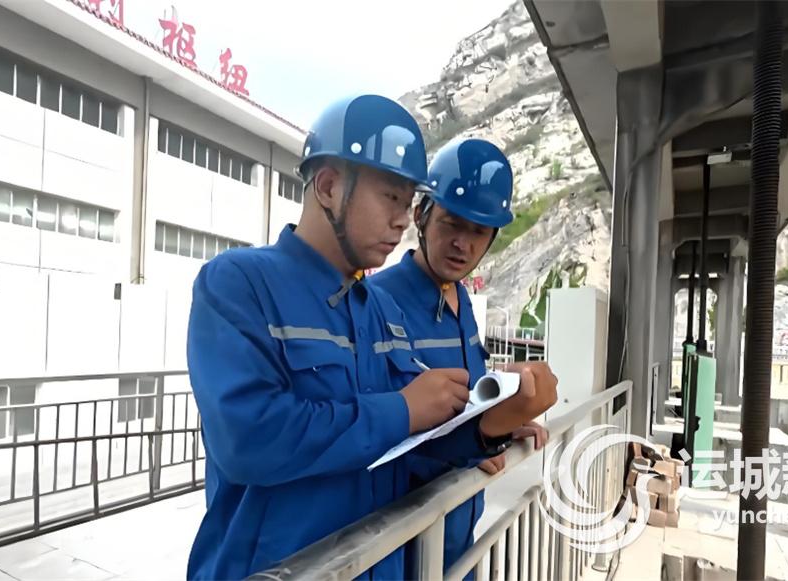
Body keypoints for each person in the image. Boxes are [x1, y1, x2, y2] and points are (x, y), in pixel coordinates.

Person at [185, 95, 557, 580]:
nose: (402, 219)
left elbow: (414, 440)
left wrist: (491, 426)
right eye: (391, 197)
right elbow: (248, 440)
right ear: (328, 186)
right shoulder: (240, 283)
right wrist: (401, 409)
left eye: (407, 201)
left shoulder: (380, 311)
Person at [371, 138, 551, 575]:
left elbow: (466, 404)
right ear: (421, 215)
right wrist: (472, 445)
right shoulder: (376, 302)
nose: (462, 245)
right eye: (451, 224)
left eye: (478, 232)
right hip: (403, 546)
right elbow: (374, 437)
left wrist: (500, 422)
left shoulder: (462, 301)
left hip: (458, 537)